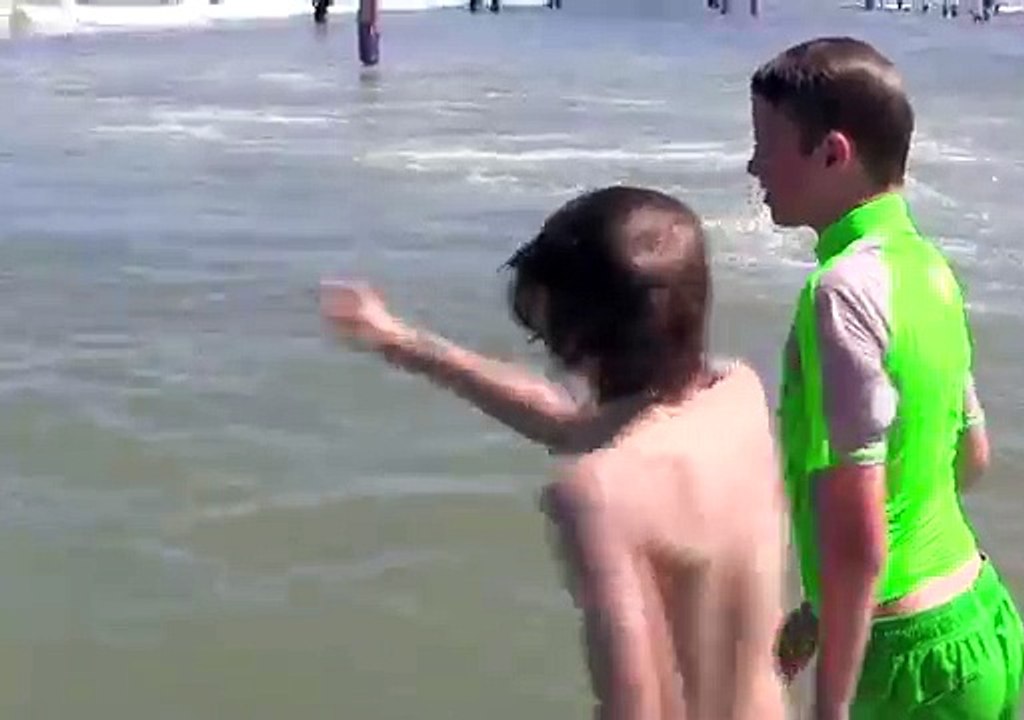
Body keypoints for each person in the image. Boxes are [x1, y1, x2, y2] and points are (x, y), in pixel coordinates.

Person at [320, 186, 789, 720]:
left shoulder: (597, 495)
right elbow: (572, 423)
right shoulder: (738, 392)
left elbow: (634, 706)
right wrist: (397, 340)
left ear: (580, 344)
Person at [747, 38, 1024, 719]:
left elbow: (858, 544)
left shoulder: (839, 293)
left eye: (765, 144)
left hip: (907, 662)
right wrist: (822, 608)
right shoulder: (929, 269)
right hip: (981, 619)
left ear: (832, 153)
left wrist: (830, 706)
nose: (753, 165)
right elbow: (970, 456)